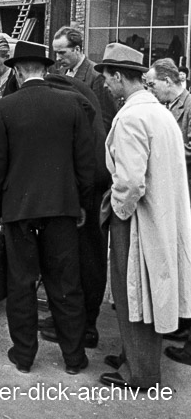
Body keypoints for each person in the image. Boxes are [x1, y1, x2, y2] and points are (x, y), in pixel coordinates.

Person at [0, 41, 94, 376]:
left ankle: (23, 356)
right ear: (46, 69)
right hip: (62, 208)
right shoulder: (72, 104)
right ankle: (74, 359)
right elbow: (85, 165)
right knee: (65, 283)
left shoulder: (5, 108)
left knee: (21, 282)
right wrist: (79, 202)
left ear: (17, 71)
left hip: (19, 209)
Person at [96, 43, 191, 389]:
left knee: (132, 291)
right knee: (147, 291)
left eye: (108, 78)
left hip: (138, 217)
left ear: (119, 77)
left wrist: (117, 211)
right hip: (161, 213)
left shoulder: (132, 117)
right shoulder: (159, 111)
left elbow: (130, 180)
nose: (106, 85)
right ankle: (132, 356)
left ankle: (141, 373)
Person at [40, 71, 110, 350]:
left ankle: (83, 327)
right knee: (86, 256)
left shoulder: (64, 96)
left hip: (88, 184)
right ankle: (76, 322)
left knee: (82, 258)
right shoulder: (76, 92)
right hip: (93, 179)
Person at [145, 57, 191, 362]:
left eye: (152, 84)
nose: (150, 89)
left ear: (167, 80)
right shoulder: (169, 107)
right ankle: (182, 325)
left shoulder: (188, 106)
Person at [52, 26, 117, 133]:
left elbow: (105, 120)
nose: (58, 58)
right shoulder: (61, 72)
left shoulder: (96, 76)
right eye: (56, 53)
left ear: (77, 49)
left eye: (62, 52)